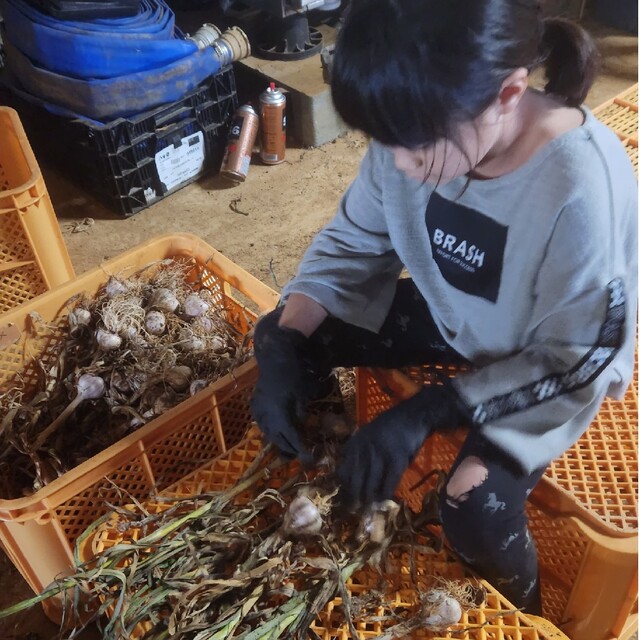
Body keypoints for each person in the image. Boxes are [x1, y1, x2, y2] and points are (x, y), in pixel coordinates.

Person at [249, 0, 638, 615]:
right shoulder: (415, 132)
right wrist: (280, 345)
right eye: (384, 140)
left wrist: (432, 409)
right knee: (294, 331)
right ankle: (331, 468)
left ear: (509, 92)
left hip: (549, 360)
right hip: (456, 315)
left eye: (417, 144)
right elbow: (353, 243)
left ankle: (525, 614)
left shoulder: (582, 184)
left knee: (471, 505)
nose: (399, 164)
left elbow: (584, 352)